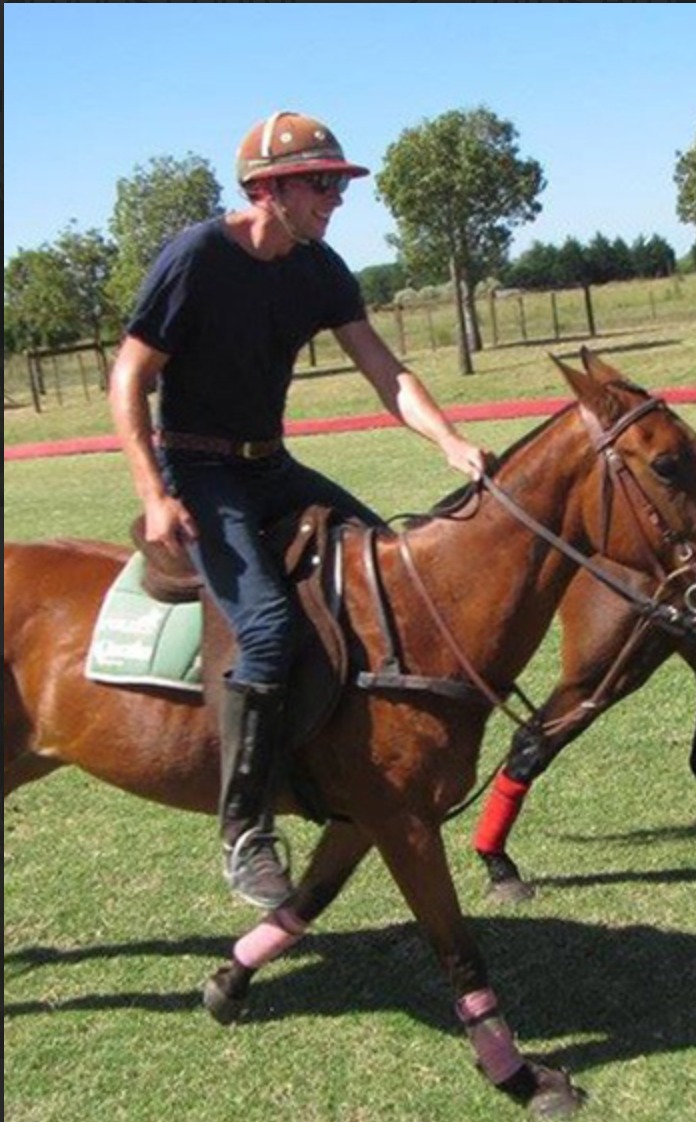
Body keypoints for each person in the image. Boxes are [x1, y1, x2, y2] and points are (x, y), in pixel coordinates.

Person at [109, 110, 488, 909]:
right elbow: (129, 377)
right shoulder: (197, 258)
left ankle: (351, 750)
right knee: (271, 627)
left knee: (391, 562)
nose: (336, 199)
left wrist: (450, 444)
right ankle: (245, 827)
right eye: (323, 184)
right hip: (200, 467)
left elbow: (386, 371)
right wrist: (153, 493)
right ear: (268, 189)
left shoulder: (317, 267)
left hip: (270, 465)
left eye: (339, 185)